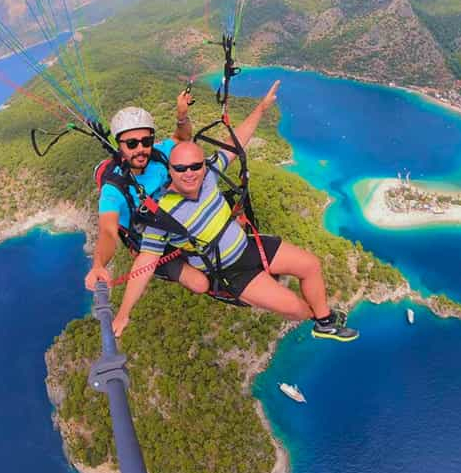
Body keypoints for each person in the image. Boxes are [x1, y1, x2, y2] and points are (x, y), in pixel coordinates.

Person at [111, 80, 359, 342]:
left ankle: (325, 322)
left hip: (249, 246)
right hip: (231, 272)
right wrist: (124, 312)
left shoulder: (208, 175)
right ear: (170, 170)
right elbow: (144, 265)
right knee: (297, 310)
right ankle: (310, 314)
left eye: (195, 166)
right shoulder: (160, 215)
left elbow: (236, 141)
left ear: (203, 166)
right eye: (181, 169)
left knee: (310, 265)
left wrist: (261, 109)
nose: (190, 174)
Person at [84, 89, 209, 295]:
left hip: (179, 222)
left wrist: (181, 115)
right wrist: (98, 265)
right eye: (132, 143)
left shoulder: (158, 154)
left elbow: (182, 138)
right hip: (153, 246)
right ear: (119, 146)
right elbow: (108, 232)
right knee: (200, 283)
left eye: (146, 141)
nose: (140, 149)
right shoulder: (113, 190)